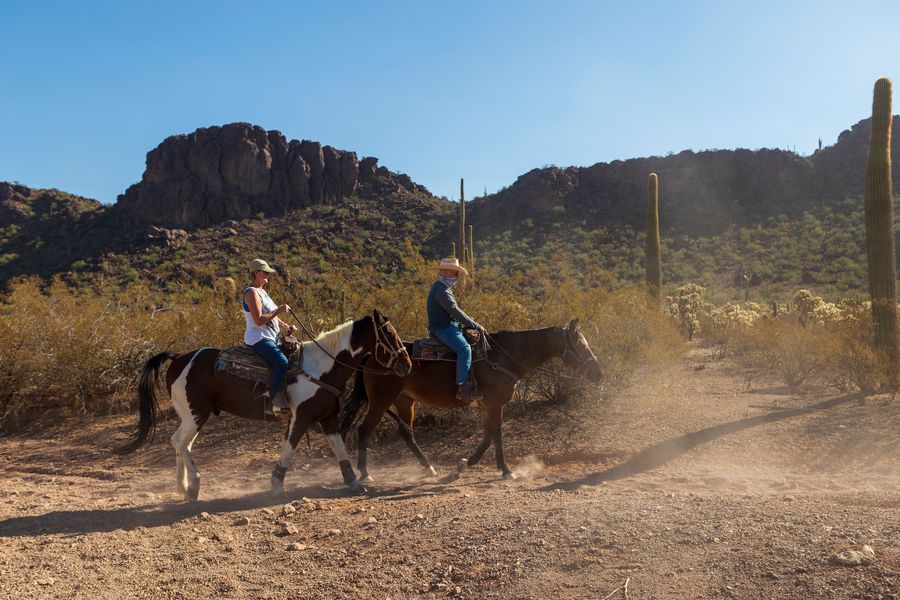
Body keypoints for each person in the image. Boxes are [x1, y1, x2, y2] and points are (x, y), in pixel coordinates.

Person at [426, 257, 486, 403]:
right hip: (443, 328)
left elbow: (452, 312)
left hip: (447, 326)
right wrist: (476, 325)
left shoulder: (442, 288)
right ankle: (463, 387)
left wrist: (468, 321)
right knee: (465, 349)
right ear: (444, 272)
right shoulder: (442, 290)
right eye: (453, 273)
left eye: (455, 273)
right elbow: (454, 310)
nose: (454, 277)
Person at [242, 258, 296, 417]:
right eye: (265, 272)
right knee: (282, 361)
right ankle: (275, 400)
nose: (268, 275)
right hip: (258, 338)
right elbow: (258, 320)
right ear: (255, 273)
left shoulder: (263, 292)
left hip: (270, 337)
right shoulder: (251, 293)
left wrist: (286, 327)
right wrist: (279, 310)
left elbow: (272, 317)